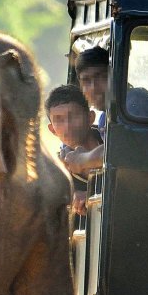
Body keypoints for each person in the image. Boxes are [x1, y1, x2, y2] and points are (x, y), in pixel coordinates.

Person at [64, 46, 148, 175]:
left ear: (116, 76)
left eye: (101, 77)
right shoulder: (105, 117)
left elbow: (122, 149)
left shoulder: (135, 101)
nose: (94, 88)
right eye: (86, 81)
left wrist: (81, 159)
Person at [45, 84, 102, 216]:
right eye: (59, 120)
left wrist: (93, 196)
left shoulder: (112, 142)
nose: (67, 125)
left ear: (90, 118)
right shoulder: (56, 173)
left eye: (74, 116)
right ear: (52, 129)